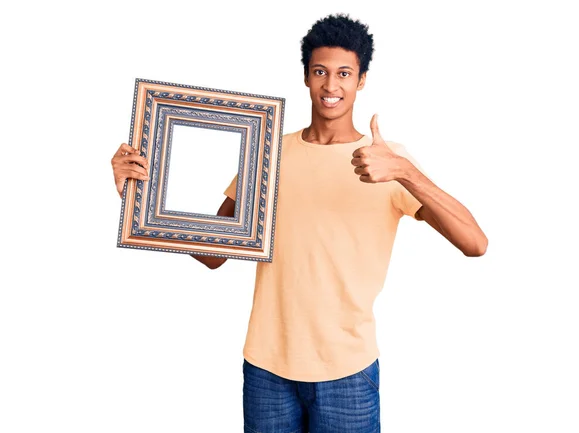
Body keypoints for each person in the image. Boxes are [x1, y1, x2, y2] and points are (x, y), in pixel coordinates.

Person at [111, 13, 488, 433]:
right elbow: (212, 256)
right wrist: (137, 199)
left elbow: (475, 243)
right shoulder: (267, 152)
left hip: (348, 371)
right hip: (266, 370)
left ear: (361, 80)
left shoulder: (386, 162)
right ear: (306, 77)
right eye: (320, 72)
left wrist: (405, 172)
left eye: (344, 73)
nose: (331, 86)